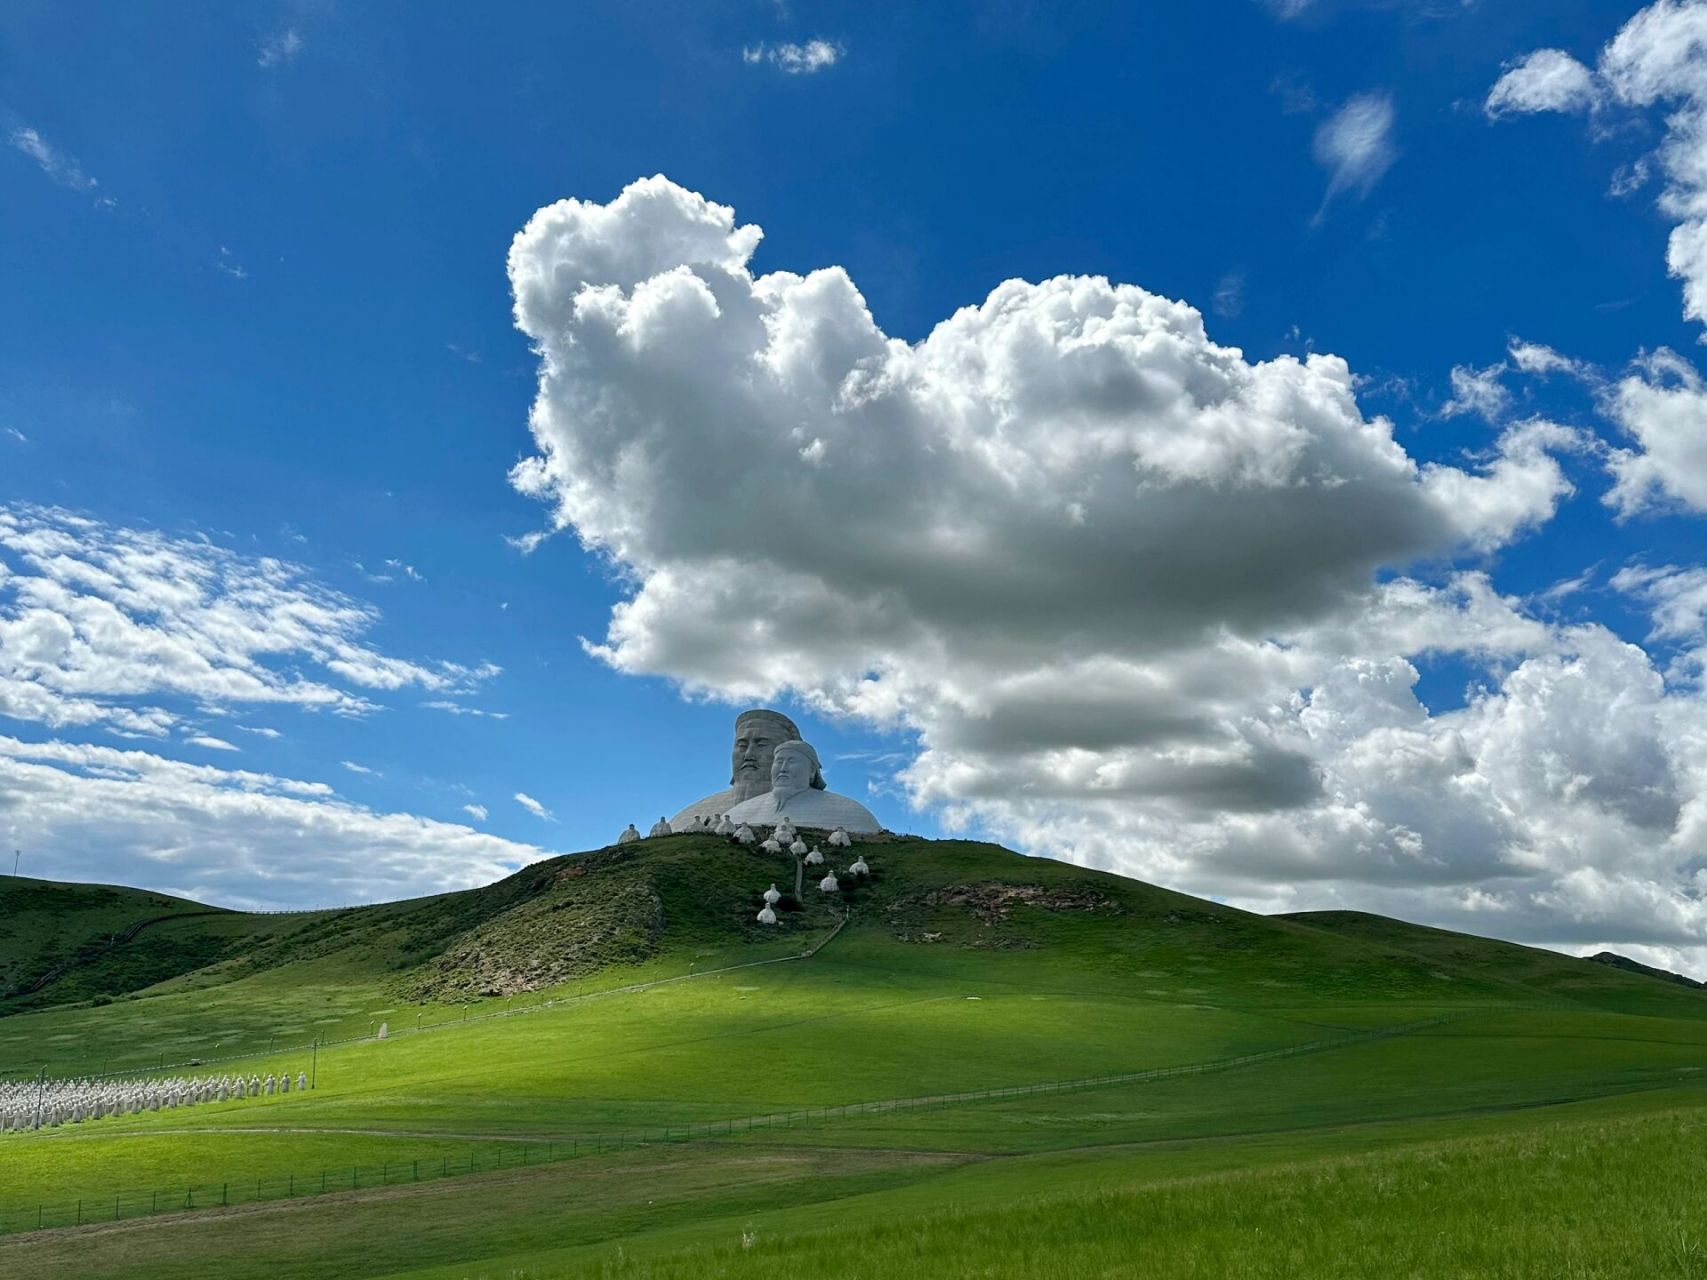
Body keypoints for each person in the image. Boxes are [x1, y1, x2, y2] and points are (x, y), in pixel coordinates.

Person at [670, 709, 803, 829]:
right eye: (742, 746)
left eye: (761, 745)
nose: (748, 755)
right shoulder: (690, 815)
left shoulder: (815, 809)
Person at [726, 740, 881, 832]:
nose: (783, 768)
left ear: (812, 771)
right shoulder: (738, 812)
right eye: (779, 762)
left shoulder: (850, 811)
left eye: (791, 761)